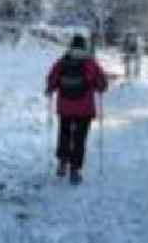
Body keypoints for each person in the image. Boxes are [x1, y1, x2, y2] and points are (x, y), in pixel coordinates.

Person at [46, 34, 108, 185]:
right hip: (84, 108)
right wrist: (99, 87)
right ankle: (74, 170)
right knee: (80, 138)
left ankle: (62, 162)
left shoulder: (62, 61)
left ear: (71, 46)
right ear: (84, 46)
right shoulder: (90, 63)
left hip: (65, 106)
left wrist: (50, 89)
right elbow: (102, 84)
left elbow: (52, 79)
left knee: (64, 134)